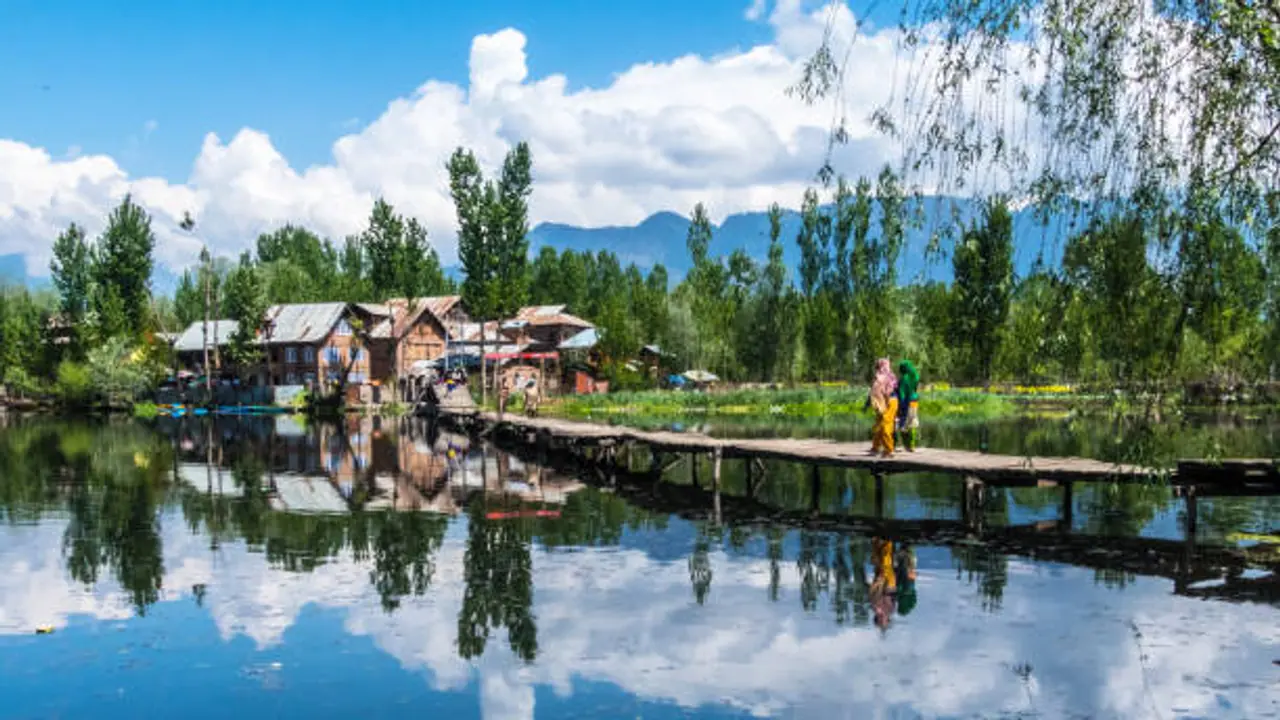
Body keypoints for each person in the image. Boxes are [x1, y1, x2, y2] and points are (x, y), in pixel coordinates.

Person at [865, 357, 898, 457]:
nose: (878, 368)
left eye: (878, 366)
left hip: (890, 402)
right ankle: (876, 447)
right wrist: (868, 404)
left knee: (884, 426)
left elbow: (889, 391)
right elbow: (873, 392)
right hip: (882, 403)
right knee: (879, 425)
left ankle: (889, 449)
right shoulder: (880, 377)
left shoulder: (889, 377)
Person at [896, 359, 921, 452]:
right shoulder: (915, 376)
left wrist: (901, 404)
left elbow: (902, 392)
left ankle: (907, 445)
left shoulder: (904, 378)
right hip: (915, 401)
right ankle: (912, 445)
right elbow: (916, 388)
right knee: (913, 421)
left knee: (903, 423)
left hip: (906, 401)